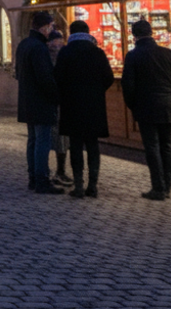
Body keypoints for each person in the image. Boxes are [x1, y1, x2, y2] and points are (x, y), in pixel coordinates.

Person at [121, 19, 171, 200]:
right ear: (151, 33)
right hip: (167, 106)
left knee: (152, 146)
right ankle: (167, 186)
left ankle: (158, 188)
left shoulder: (133, 56)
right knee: (166, 146)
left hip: (145, 106)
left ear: (134, 35)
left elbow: (128, 85)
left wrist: (132, 105)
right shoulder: (168, 53)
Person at [54, 20, 114, 198]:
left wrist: (66, 92)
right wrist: (97, 91)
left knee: (76, 145)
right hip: (94, 105)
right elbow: (109, 77)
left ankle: (79, 185)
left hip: (72, 105)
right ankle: (93, 186)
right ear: (87, 33)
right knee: (93, 145)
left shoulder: (65, 52)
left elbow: (57, 77)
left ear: (71, 33)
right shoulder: (97, 52)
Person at [15, 11, 63, 194]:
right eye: (51, 26)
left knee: (33, 140)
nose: (52, 30)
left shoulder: (24, 44)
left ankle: (33, 178)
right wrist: (55, 96)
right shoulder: (39, 47)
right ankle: (42, 179)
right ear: (45, 27)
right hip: (40, 101)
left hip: (27, 100)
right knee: (42, 140)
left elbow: (19, 73)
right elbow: (45, 77)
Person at [46, 29, 72, 186]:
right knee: (59, 137)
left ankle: (53, 171)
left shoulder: (46, 54)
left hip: (53, 101)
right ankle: (58, 172)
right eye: (58, 40)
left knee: (56, 137)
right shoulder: (60, 55)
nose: (59, 43)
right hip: (58, 101)